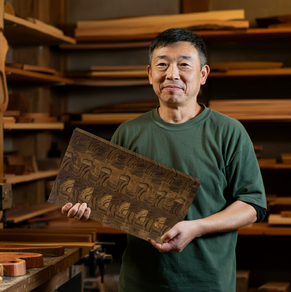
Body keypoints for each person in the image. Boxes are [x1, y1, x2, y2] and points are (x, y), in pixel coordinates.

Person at [61, 28, 266, 292]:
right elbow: (110, 201)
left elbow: (253, 204)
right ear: (149, 74)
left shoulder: (229, 132)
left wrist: (197, 227)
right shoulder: (128, 132)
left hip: (208, 283)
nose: (172, 74)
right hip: (140, 283)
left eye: (184, 65)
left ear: (203, 74)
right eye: (162, 65)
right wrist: (87, 209)